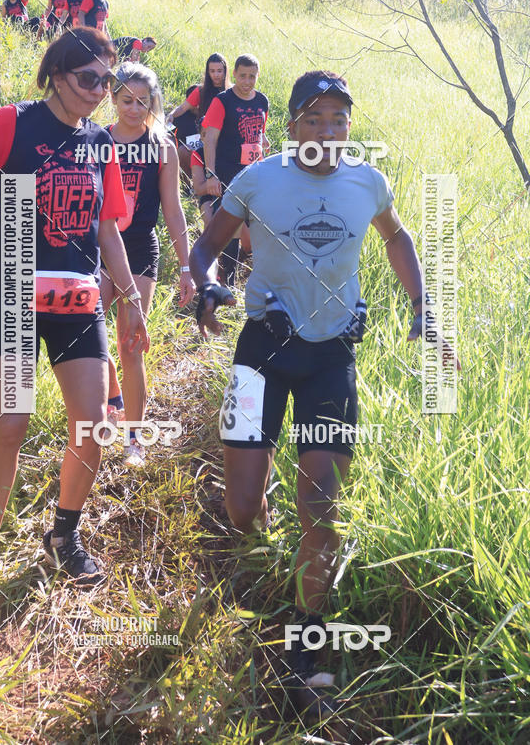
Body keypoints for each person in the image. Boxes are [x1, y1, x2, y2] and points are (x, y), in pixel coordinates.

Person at [189, 70, 460, 720]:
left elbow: (397, 237)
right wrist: (205, 287)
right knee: (244, 509)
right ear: (291, 126)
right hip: (261, 353)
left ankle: (305, 640)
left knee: (323, 506)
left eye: (339, 119)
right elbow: (206, 247)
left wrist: (424, 305)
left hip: (332, 358)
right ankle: (261, 535)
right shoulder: (259, 180)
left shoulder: (367, 181)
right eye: (314, 118)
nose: (328, 130)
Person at [0, 28, 149, 609]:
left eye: (108, 80)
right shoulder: (16, 124)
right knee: (12, 422)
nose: (99, 91)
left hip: (77, 304)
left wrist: (129, 300)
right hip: (15, 295)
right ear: (56, 74)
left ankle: (63, 535)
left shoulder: (101, 141)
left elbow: (106, 229)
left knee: (93, 423)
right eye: (88, 79)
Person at [102, 62, 195, 465]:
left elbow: (173, 211)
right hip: (98, 250)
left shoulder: (163, 147)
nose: (135, 109)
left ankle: (133, 439)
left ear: (153, 101)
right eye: (127, 101)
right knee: (87, 338)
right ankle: (111, 396)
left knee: (130, 346)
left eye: (143, 102)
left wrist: (188, 266)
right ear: (112, 98)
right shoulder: (96, 140)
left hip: (139, 249)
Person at [200, 53, 269, 286]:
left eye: (252, 76)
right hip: (228, 173)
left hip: (255, 174)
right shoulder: (222, 101)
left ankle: (259, 280)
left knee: (260, 226)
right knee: (230, 229)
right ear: (235, 75)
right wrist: (211, 174)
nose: (247, 81)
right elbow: (210, 139)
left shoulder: (262, 101)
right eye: (242, 76)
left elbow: (260, 134)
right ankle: (225, 282)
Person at [166, 53, 229, 130]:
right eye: (212, 71)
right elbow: (183, 108)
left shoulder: (232, 90)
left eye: (219, 71)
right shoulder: (200, 91)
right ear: (208, 72)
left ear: (225, 71)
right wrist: (171, 115)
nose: (216, 75)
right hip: (205, 133)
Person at [171, 84, 202, 182]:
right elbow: (168, 136)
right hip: (187, 154)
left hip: (209, 153)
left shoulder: (212, 112)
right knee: (183, 151)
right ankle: (187, 186)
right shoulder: (179, 116)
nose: (197, 105)